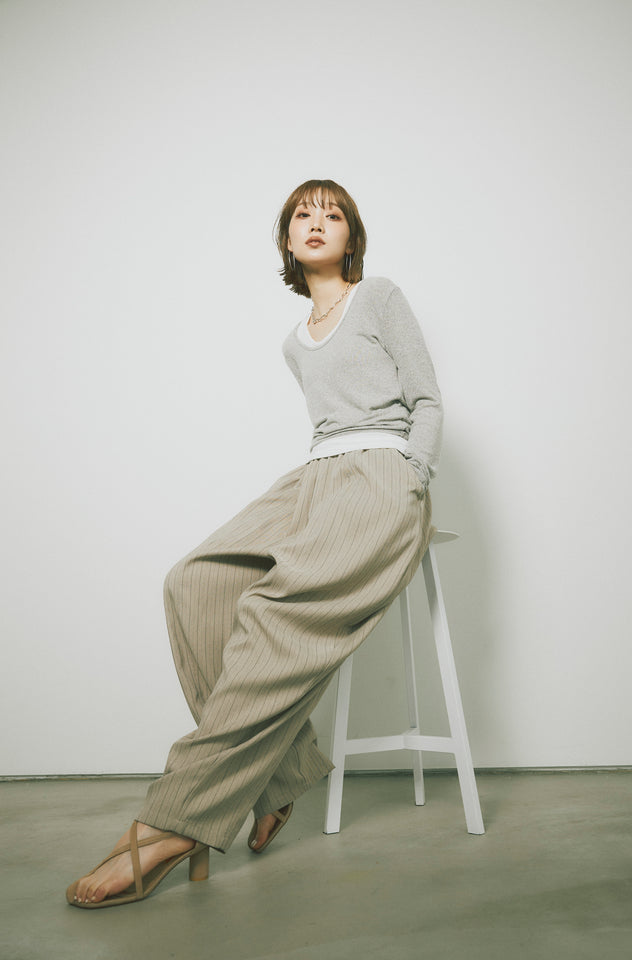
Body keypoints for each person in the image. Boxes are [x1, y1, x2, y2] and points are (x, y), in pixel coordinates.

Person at [66, 178, 442, 908]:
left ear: (351, 237)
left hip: (382, 473)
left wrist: (411, 478)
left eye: (332, 214)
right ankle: (280, 777)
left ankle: (173, 821)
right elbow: (326, 427)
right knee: (194, 580)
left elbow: (426, 398)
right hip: (316, 475)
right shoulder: (294, 342)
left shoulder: (380, 297)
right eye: (303, 213)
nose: (316, 222)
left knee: (272, 611)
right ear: (288, 240)